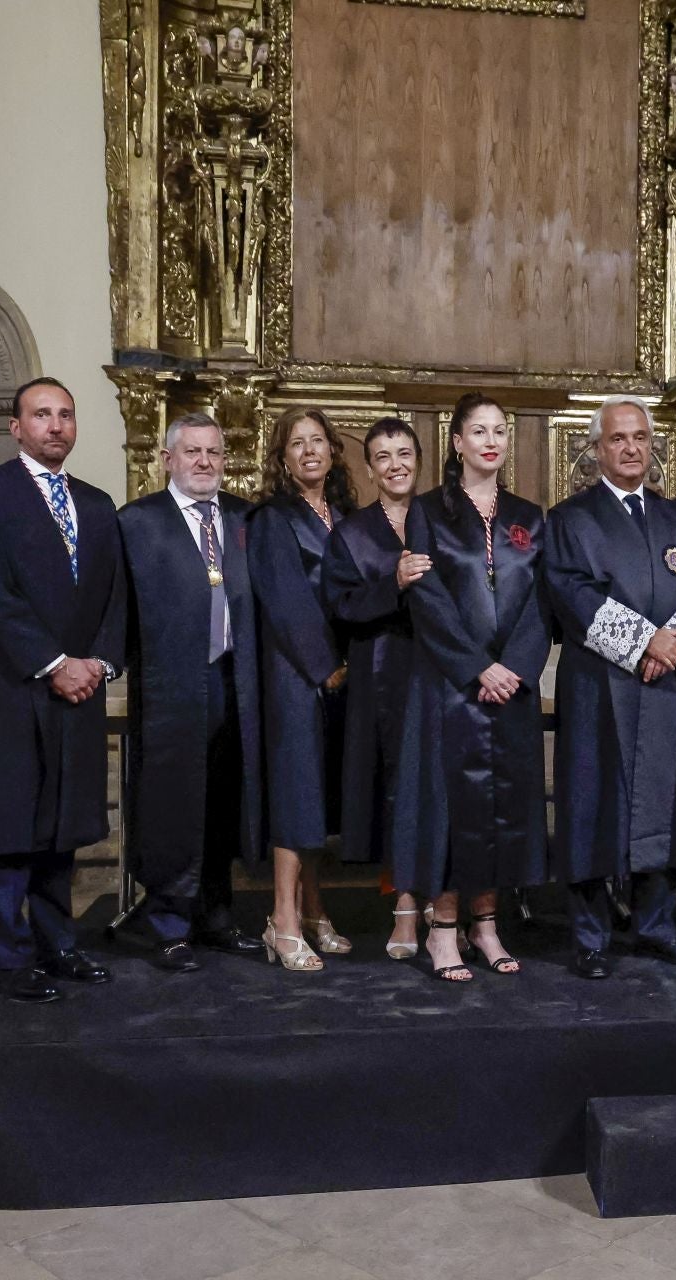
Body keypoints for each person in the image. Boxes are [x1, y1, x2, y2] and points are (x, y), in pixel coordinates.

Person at [0, 377, 123, 1002]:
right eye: (41, 415)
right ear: (17, 427)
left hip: (78, 692)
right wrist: (52, 662)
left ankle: (58, 947)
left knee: (60, 832)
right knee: (10, 834)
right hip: (11, 690)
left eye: (65, 415)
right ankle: (11, 962)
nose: (55, 425)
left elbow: (115, 599)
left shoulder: (96, 506)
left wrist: (98, 662)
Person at [544, 395, 676, 979]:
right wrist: (646, 642)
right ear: (597, 449)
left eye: (640, 437)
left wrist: (674, 644)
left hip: (664, 687)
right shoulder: (571, 520)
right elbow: (571, 593)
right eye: (618, 439)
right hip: (600, 684)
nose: (631, 448)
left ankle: (656, 927)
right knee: (593, 804)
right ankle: (591, 937)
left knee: (662, 803)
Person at [392, 394, 550, 981]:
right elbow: (427, 599)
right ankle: (442, 932)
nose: (491, 440)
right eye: (478, 430)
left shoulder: (530, 516)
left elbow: (542, 601)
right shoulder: (430, 511)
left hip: (511, 686)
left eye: (500, 431)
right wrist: (476, 667)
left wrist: (514, 667)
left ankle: (487, 927)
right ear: (456, 442)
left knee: (502, 809)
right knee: (451, 812)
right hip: (451, 687)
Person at [117, 412, 265, 971]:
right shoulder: (137, 521)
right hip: (169, 683)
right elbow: (118, 608)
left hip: (234, 679)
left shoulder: (245, 518)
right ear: (167, 459)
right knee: (171, 804)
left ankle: (217, 917)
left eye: (214, 453)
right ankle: (168, 924)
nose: (205, 463)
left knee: (224, 801)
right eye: (193, 452)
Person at [247, 408, 357, 971]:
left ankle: (313, 911)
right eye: (297, 443)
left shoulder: (344, 516)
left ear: (334, 452)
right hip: (297, 674)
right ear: (283, 458)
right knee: (296, 795)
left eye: (318, 441)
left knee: (318, 799)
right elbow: (283, 599)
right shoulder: (272, 518)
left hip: (340, 675)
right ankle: (282, 921)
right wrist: (323, 666)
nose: (309, 450)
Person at [323, 417, 426, 958]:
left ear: (419, 458)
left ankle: (445, 903)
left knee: (441, 792)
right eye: (382, 456)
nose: (395, 465)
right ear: (369, 468)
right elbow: (340, 607)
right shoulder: (353, 532)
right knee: (396, 793)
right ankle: (404, 907)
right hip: (383, 675)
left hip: (441, 673)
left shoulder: (444, 519)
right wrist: (394, 583)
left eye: (404, 453)